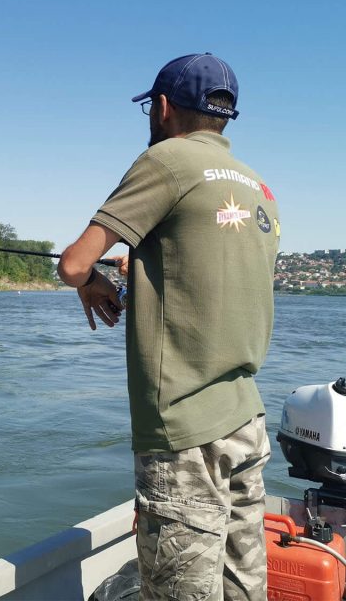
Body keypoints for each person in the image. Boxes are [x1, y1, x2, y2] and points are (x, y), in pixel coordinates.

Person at [58, 53, 280, 601]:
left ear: (160, 108)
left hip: (185, 430)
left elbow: (73, 262)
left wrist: (91, 281)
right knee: (243, 587)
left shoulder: (166, 160)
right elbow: (212, 275)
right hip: (246, 419)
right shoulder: (258, 187)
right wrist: (143, 268)